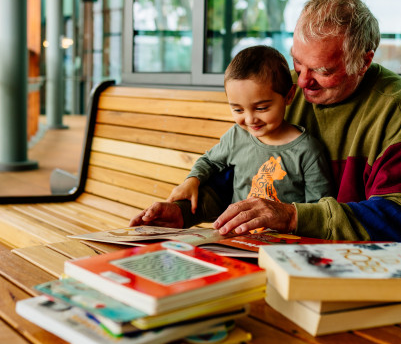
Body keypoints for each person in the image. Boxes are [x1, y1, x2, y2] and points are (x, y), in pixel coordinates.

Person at [132, 0, 401, 246]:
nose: (303, 82)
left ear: (363, 62)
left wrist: (293, 216)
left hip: (354, 268)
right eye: (297, 61)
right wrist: (182, 212)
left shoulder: (397, 111)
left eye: (323, 71)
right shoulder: (283, 93)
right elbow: (238, 179)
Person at [130, 45, 334, 228]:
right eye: (237, 109)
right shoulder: (236, 136)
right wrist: (192, 179)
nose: (250, 119)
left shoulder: (308, 151)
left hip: (281, 247)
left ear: (289, 96)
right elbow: (210, 161)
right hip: (234, 238)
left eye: (262, 107)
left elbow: (317, 211)